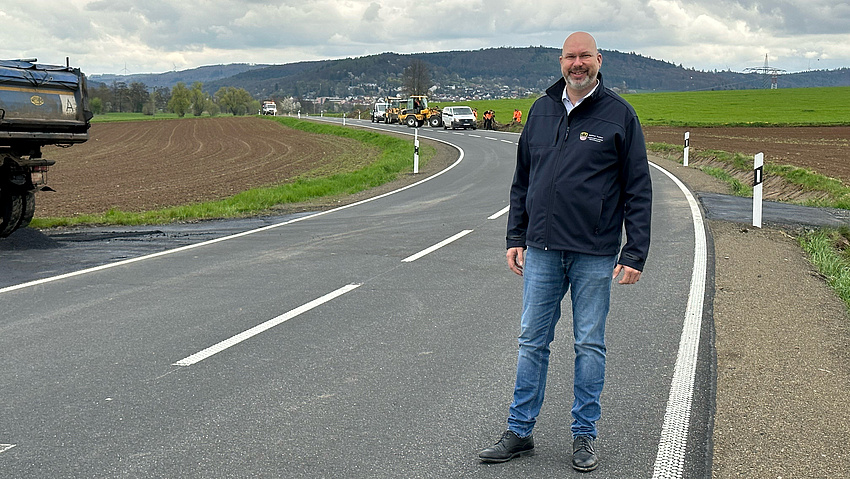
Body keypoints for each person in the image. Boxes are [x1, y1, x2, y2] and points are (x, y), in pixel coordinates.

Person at [478, 31, 652, 472]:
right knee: (531, 342)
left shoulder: (619, 116)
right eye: (571, 57)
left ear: (599, 60)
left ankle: (584, 436)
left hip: (593, 252)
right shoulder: (541, 110)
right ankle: (520, 431)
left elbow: (638, 190)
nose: (578, 64)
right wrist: (515, 236)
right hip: (540, 249)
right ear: (561, 62)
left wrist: (634, 254)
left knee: (589, 344)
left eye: (585, 57)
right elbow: (523, 180)